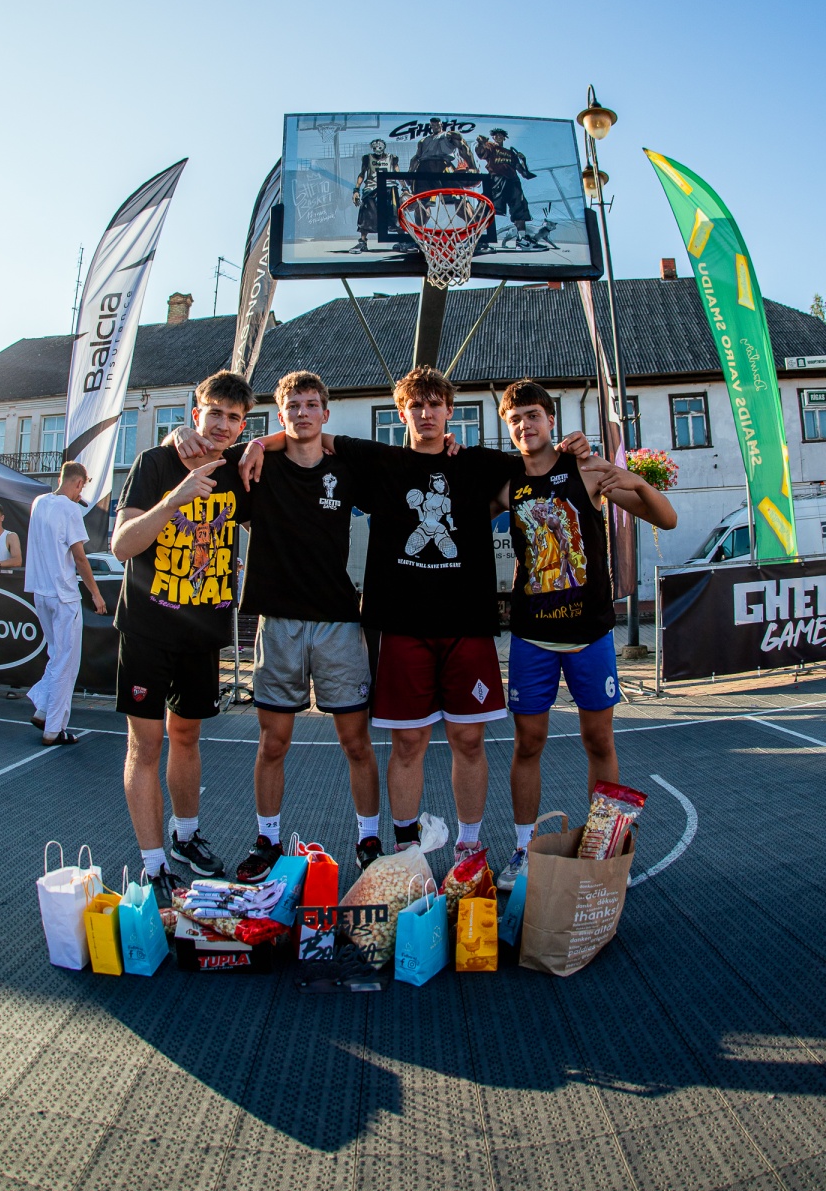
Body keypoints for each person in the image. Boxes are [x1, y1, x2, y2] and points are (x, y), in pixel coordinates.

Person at [240, 367, 591, 868]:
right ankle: (406, 849)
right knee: (407, 742)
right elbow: (307, 433)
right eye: (416, 406)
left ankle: (468, 845)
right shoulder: (378, 460)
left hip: (467, 624)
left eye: (434, 405)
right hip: (401, 626)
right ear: (401, 414)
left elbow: (539, 461)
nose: (426, 414)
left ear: (450, 411)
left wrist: (578, 449)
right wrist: (260, 441)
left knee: (469, 739)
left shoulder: (479, 463)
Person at [494, 378, 677, 890]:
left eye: (533, 415)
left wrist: (634, 480)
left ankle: (603, 845)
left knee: (598, 738)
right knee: (528, 742)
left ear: (551, 419)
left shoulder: (588, 469)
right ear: (507, 427)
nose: (525, 425)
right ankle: (523, 850)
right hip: (532, 635)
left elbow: (666, 517)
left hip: (589, 634)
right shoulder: (506, 484)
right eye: (515, 419)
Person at [227, 372, 381, 881]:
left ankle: (369, 838)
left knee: (356, 743)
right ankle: (267, 841)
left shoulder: (345, 469)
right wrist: (255, 443)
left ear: (325, 414)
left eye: (312, 404)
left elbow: (396, 475)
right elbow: (206, 453)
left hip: (338, 622)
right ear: (281, 415)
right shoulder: (257, 467)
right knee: (273, 743)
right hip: (279, 623)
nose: (303, 412)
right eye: (293, 405)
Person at [111, 371, 253, 907]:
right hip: (147, 629)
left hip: (202, 629)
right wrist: (175, 498)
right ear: (196, 414)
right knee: (145, 745)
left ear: (242, 427)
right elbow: (123, 545)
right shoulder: (155, 463)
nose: (222, 425)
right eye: (214, 413)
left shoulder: (239, 470)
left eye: (234, 419)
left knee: (187, 735)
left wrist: (260, 445)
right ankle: (153, 866)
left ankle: (185, 836)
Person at [24, 462, 107, 746]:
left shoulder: (39, 502)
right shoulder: (70, 509)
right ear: (78, 482)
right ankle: (54, 727)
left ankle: (44, 710)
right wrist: (95, 593)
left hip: (41, 592)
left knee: (56, 655)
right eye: (82, 486)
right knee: (66, 662)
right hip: (63, 595)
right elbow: (80, 557)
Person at [474, 129, 536, 245]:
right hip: (496, 180)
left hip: (513, 181)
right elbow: (480, 153)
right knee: (485, 207)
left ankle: (522, 239)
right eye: (496, 135)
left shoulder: (511, 153)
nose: (498, 137)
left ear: (504, 138)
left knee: (520, 208)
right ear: (493, 137)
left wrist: (523, 160)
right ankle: (477, 239)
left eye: (501, 135)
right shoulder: (490, 147)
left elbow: (524, 173)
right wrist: (481, 144)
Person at [351, 139, 400, 252]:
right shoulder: (367, 158)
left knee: (395, 213)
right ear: (372, 148)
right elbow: (362, 174)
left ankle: (402, 241)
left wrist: (405, 188)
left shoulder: (392, 158)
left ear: (384, 147)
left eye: (379, 147)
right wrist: (356, 190)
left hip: (389, 187)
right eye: (375, 147)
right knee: (366, 214)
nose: (377, 149)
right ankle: (362, 242)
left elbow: (398, 173)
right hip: (372, 188)